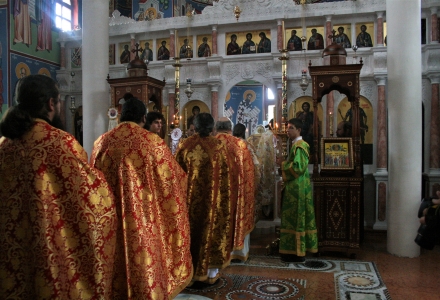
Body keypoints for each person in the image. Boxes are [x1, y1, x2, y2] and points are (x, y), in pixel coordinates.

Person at [0, 74, 117, 298]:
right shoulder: (60, 143)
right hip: (47, 252)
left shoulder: (4, 145)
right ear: (51, 104)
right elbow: (94, 199)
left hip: (10, 252)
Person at [90, 98, 192, 299]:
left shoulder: (101, 142)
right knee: (145, 264)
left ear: (120, 115)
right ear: (144, 118)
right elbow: (173, 180)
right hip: (144, 220)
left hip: (111, 219)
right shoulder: (153, 143)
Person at [175, 113, 233, 284]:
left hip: (189, 200)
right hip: (213, 200)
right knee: (211, 231)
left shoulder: (185, 145)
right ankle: (210, 272)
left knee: (191, 233)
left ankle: (188, 272)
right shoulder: (219, 146)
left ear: (195, 125)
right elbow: (226, 176)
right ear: (212, 127)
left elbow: (176, 174)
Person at [276, 118, 318, 262]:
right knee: (293, 218)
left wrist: (283, 165)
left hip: (297, 188)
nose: (288, 131)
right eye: (287, 128)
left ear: (299, 130)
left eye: (291, 128)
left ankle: (297, 251)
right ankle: (292, 249)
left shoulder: (300, 146)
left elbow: (298, 167)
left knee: (297, 218)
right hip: (296, 186)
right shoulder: (296, 145)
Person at [215, 118, 255, 262]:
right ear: (229, 129)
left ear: (216, 128)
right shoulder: (239, 145)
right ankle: (237, 252)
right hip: (236, 192)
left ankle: (218, 253)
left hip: (216, 193)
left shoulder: (212, 143)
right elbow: (250, 172)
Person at [233, 123, 262, 224]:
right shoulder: (248, 146)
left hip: (232, 182)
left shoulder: (230, 144)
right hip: (245, 182)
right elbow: (257, 165)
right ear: (243, 132)